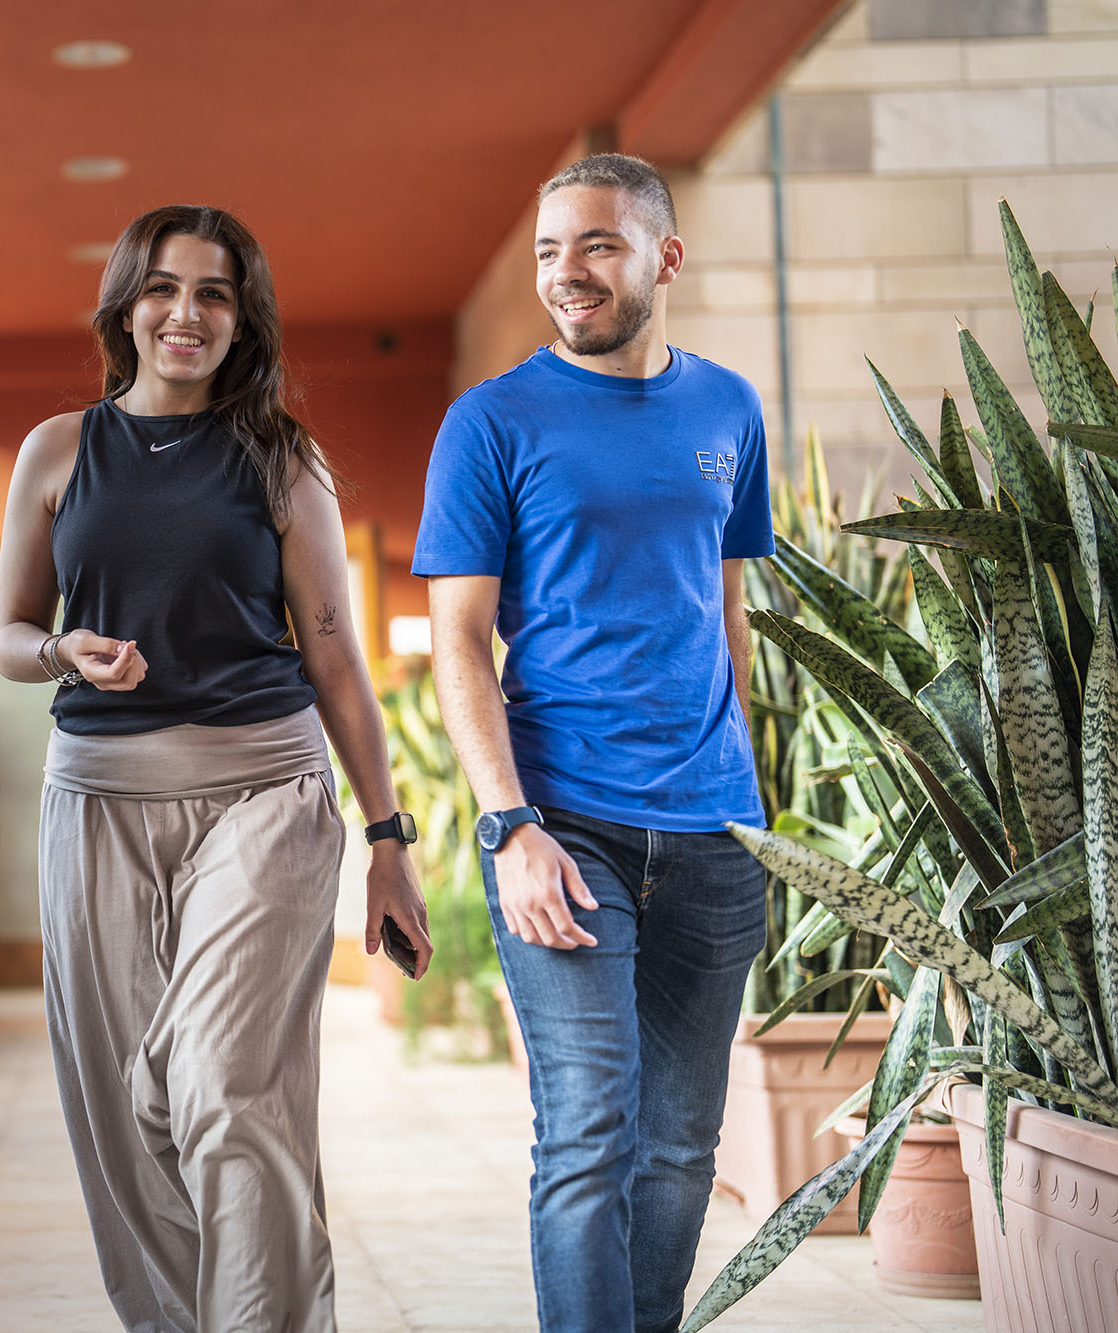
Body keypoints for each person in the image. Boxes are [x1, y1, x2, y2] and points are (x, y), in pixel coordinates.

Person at [0, 203, 433, 1333]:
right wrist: (60, 651)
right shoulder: (57, 450)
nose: (185, 313)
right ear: (125, 306)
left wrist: (388, 844)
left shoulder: (279, 459)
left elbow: (333, 651)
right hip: (94, 803)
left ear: (243, 321)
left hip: (262, 795)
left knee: (227, 1090)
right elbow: (8, 633)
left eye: (214, 293)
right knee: (121, 1112)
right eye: (163, 288)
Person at [414, 152, 774, 1332]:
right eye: (547, 251)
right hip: (563, 824)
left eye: (597, 246)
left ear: (663, 259)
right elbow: (458, 639)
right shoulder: (491, 422)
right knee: (586, 1132)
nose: (565, 274)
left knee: (678, 1147)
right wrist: (507, 824)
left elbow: (723, 614)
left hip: (715, 831)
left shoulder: (727, 407)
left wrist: (752, 794)